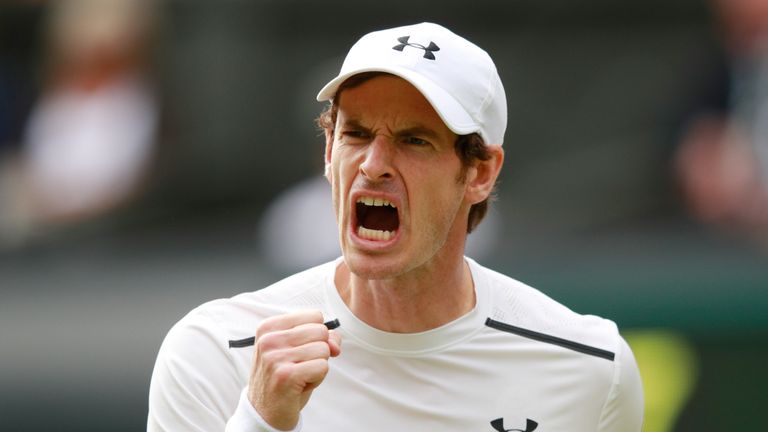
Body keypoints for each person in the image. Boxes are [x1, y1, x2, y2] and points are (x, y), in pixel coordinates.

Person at [148, 22, 644, 431]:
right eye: (356, 134)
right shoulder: (213, 353)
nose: (373, 165)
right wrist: (259, 423)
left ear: (480, 173)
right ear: (329, 151)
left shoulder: (591, 366)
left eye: (414, 140)